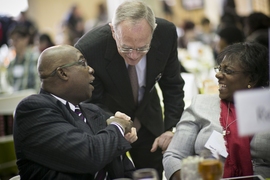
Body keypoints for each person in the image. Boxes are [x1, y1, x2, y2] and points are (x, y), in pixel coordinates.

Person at [75, 0, 185, 178]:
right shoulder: (90, 48)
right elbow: (91, 101)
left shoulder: (166, 34)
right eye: (125, 47)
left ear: (153, 31)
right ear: (113, 31)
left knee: (152, 173)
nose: (134, 56)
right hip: (110, 121)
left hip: (149, 118)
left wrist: (171, 128)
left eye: (143, 48)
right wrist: (115, 124)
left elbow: (173, 85)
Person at [13, 45, 138, 179]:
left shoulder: (94, 111)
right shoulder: (33, 109)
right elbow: (89, 155)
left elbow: (125, 169)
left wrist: (123, 127)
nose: (91, 69)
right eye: (83, 63)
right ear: (62, 73)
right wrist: (118, 127)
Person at [163, 42, 270, 179]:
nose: (218, 75)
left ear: (252, 79)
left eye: (228, 71)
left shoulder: (265, 109)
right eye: (219, 68)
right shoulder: (201, 105)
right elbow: (174, 156)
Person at [6, 25, 40, 92]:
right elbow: (8, 83)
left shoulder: (36, 58)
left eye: (16, 40)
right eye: (12, 40)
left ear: (26, 39)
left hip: (31, 99)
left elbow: (39, 85)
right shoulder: (12, 62)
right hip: (15, 99)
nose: (14, 43)